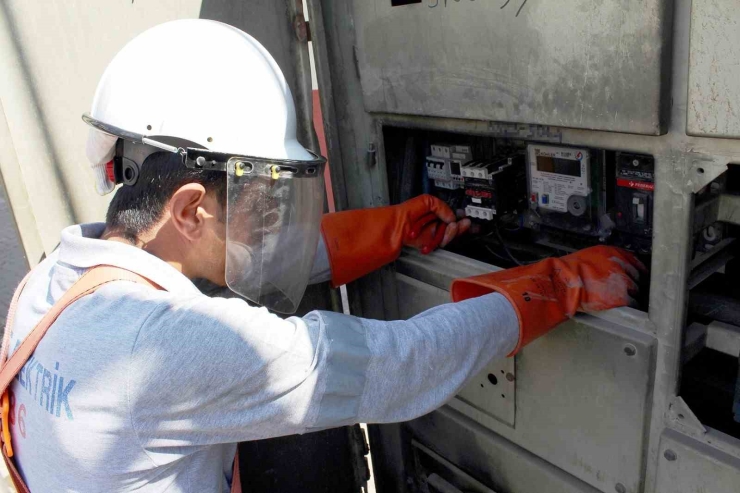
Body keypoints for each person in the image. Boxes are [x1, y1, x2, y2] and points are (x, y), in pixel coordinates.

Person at [0, 20, 642, 493]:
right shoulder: (173, 346)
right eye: (256, 198)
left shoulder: (53, 283)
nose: (268, 219)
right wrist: (561, 282)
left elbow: (256, 260)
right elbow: (400, 367)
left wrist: (390, 229)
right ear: (192, 208)